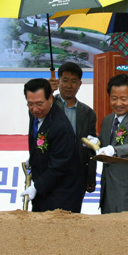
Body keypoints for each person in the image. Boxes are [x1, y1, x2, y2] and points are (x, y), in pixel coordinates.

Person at [86, 74, 128, 213]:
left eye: (123, 99)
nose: (118, 103)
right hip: (108, 191)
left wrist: (113, 150)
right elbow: (104, 144)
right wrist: (95, 143)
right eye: (114, 98)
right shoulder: (108, 120)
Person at [20, 78, 83, 212]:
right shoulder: (35, 114)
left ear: (50, 98)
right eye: (30, 104)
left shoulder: (60, 127)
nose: (35, 109)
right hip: (44, 185)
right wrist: (34, 158)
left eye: (39, 103)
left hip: (62, 194)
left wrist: (36, 187)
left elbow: (59, 168)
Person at [51, 61, 98, 201]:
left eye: (73, 81)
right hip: (51, 171)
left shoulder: (88, 113)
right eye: (65, 80)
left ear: (80, 84)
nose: (69, 85)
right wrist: (47, 92)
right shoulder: (48, 106)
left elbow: (91, 147)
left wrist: (90, 176)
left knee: (73, 217)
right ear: (58, 82)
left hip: (77, 173)